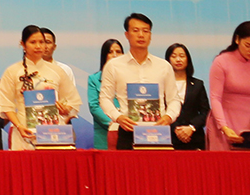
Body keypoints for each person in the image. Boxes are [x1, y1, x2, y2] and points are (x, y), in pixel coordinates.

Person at [99, 13, 182, 150]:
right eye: (136, 30)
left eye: (145, 31)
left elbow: (174, 99)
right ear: (127, 35)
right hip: (128, 131)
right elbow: (104, 98)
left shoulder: (164, 66)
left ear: (150, 35)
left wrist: (169, 117)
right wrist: (118, 117)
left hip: (159, 131)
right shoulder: (113, 66)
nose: (141, 35)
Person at [0, 26, 81, 150]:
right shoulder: (12, 71)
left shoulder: (57, 71)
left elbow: (72, 100)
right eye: (33, 42)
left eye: (41, 42)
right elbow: (5, 104)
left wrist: (65, 109)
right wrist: (19, 126)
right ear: (23, 44)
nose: (38, 46)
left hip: (53, 134)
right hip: (23, 132)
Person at [207, 21, 250, 150]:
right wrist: (224, 127)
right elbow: (215, 98)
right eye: (248, 46)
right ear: (237, 39)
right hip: (223, 123)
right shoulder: (221, 61)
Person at [166, 44, 208, 150]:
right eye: (174, 56)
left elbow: (205, 112)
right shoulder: (163, 85)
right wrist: (176, 128)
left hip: (194, 137)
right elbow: (161, 110)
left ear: (188, 59)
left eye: (182, 56)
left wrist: (191, 128)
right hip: (169, 137)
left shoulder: (198, 84)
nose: (178, 59)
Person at [86, 39, 122, 149]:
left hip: (127, 131)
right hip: (104, 133)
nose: (115, 55)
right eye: (110, 52)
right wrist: (112, 123)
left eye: (118, 51)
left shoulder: (130, 78)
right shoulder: (94, 79)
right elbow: (94, 106)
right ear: (104, 56)